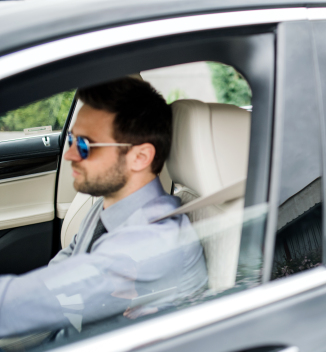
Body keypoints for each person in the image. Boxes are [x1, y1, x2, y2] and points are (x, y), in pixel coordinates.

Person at [0, 78, 207, 337]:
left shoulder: (153, 243)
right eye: (72, 140)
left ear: (140, 157)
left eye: (85, 146)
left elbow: (13, 307)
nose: (70, 155)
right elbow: (66, 266)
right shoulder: (108, 206)